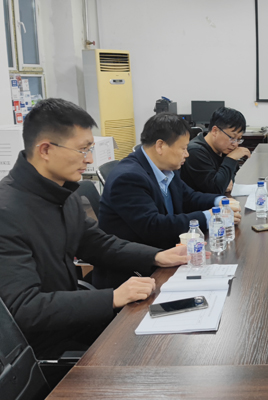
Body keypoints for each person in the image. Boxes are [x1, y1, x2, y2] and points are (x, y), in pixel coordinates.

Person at [0, 98, 188, 359]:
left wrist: (156, 256)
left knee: (173, 331)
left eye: (90, 149)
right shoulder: (7, 212)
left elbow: (98, 244)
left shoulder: (61, 193)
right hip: (44, 350)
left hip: (77, 323)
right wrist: (112, 297)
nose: (88, 159)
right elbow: (24, 307)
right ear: (45, 150)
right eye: (82, 150)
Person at [98, 113, 241, 289]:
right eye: (183, 148)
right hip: (135, 275)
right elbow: (155, 227)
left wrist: (219, 202)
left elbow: (188, 197)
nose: (187, 154)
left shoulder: (165, 168)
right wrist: (210, 216)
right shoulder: (128, 178)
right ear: (160, 146)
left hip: (166, 255)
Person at [181, 107, 250, 195]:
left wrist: (225, 181)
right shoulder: (195, 151)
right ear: (215, 131)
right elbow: (216, 189)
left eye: (239, 139)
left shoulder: (223, 149)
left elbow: (231, 177)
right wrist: (231, 158)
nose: (235, 144)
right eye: (232, 137)